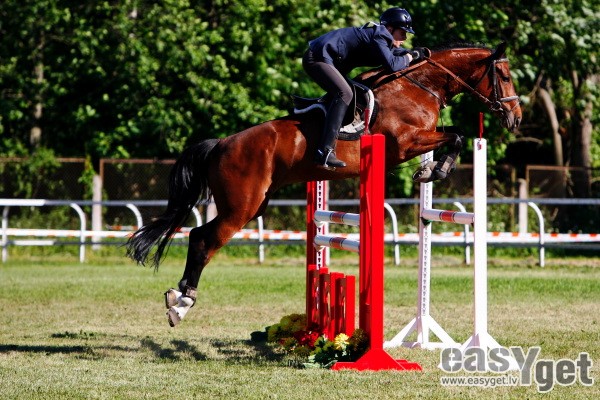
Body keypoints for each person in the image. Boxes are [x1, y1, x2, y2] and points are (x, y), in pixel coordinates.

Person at [303, 7, 427, 168]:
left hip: (329, 61)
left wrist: (415, 53)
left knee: (353, 92)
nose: (404, 38)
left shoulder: (382, 37)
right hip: (317, 58)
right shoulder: (380, 35)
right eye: (402, 32)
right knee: (345, 93)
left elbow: (397, 53)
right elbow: (393, 65)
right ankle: (324, 151)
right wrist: (411, 56)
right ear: (390, 29)